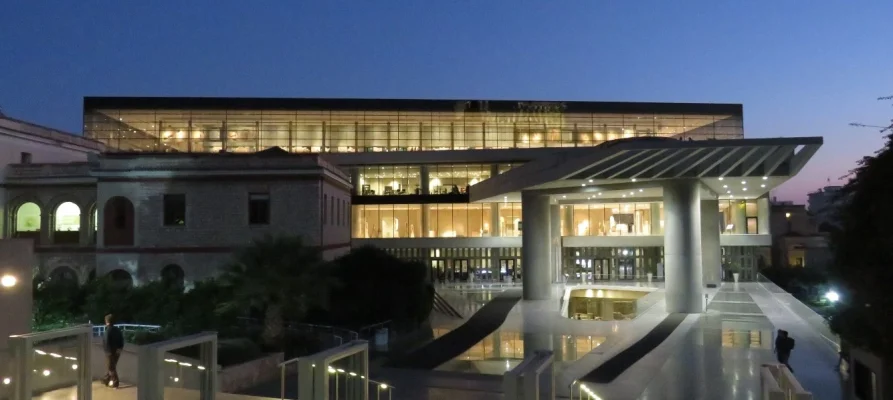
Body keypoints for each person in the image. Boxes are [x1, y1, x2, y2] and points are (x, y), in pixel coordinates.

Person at [102, 314, 125, 388]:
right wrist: (120, 348)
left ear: (106, 321)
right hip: (117, 351)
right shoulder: (117, 330)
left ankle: (115, 383)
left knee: (111, 368)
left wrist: (108, 352)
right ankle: (106, 380)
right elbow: (121, 340)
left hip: (110, 352)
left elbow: (106, 342)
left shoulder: (108, 330)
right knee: (112, 366)